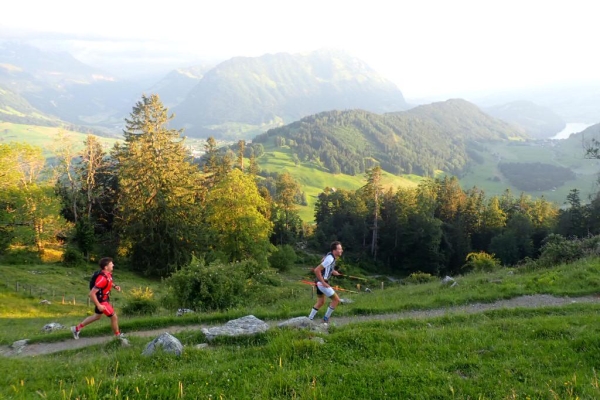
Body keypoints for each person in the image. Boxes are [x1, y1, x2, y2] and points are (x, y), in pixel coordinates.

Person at [71, 257, 128, 345]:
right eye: (111, 264)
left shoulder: (107, 274)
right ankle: (118, 336)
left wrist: (115, 286)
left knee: (97, 317)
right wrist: (99, 305)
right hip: (102, 301)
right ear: (106, 267)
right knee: (114, 317)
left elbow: (109, 281)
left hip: (103, 299)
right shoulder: (102, 278)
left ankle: (76, 329)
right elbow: (92, 293)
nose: (113, 265)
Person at [308, 241, 343, 324]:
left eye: (341, 249)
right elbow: (317, 270)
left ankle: (309, 319)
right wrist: (323, 282)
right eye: (339, 249)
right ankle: (325, 319)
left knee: (320, 302)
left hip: (318, 282)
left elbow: (326, 265)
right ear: (334, 250)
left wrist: (333, 271)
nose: (341, 250)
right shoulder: (330, 258)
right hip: (322, 283)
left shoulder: (330, 255)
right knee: (336, 300)